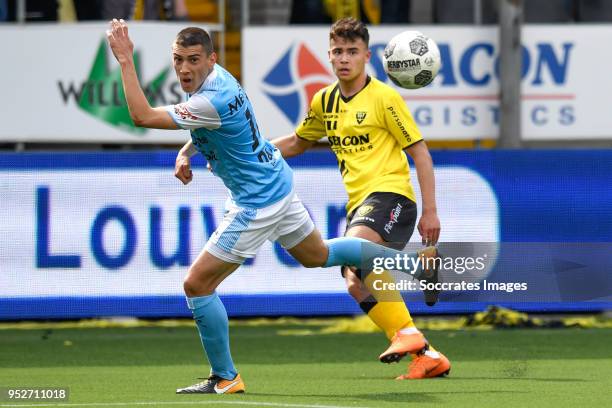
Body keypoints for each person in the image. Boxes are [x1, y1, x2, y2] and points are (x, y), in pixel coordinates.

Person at [106, 19, 440, 394]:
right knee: (320, 255)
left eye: (193, 60)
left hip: (259, 202)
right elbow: (250, 134)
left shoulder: (211, 99)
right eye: (178, 59)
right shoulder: (219, 79)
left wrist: (125, 60)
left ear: (211, 58)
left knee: (197, 284)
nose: (184, 68)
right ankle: (413, 263)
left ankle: (225, 377)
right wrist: (188, 148)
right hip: (277, 181)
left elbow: (142, 116)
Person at [272, 17, 450, 380]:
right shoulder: (324, 100)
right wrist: (248, 154)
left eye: (352, 52)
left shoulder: (385, 97)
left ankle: (413, 300)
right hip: (361, 206)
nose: (344, 59)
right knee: (354, 281)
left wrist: (430, 212)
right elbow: (296, 143)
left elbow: (421, 154)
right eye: (337, 51)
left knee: (354, 252)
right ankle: (425, 353)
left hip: (392, 196)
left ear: (367, 56)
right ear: (329, 56)